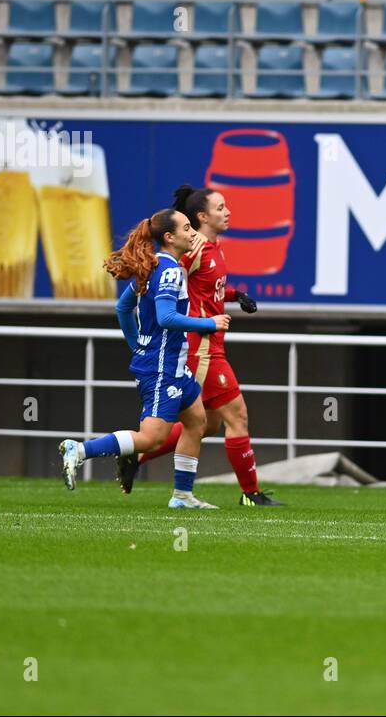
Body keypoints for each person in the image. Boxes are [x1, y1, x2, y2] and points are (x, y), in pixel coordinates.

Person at [115, 186, 284, 507]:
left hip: (210, 344)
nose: (228, 212)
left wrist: (234, 296)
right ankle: (250, 495)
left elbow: (206, 287)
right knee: (238, 417)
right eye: (221, 207)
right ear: (203, 216)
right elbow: (164, 282)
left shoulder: (213, 249)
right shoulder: (192, 250)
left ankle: (139, 458)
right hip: (200, 347)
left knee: (207, 423)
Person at [58, 209, 227, 510]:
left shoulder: (152, 267)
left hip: (171, 364)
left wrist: (138, 344)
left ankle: (183, 496)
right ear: (169, 237)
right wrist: (209, 324)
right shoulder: (171, 271)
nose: (193, 233)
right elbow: (166, 317)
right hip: (163, 368)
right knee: (151, 439)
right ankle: (80, 449)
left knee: (197, 420)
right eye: (187, 228)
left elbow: (123, 309)